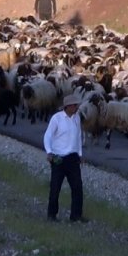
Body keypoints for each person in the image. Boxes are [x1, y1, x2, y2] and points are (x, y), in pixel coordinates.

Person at [44, 93, 86, 223]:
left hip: (73, 158)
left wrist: (80, 153)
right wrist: (49, 152)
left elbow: (78, 136)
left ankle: (76, 216)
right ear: (67, 107)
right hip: (58, 158)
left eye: (77, 105)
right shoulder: (56, 119)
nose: (76, 108)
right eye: (74, 105)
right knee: (55, 187)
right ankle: (52, 215)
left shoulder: (77, 118)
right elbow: (48, 136)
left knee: (77, 187)